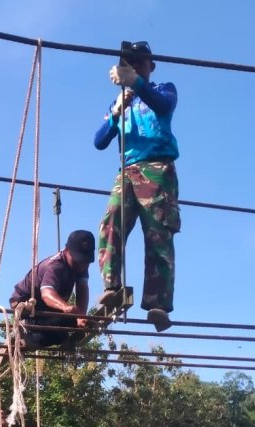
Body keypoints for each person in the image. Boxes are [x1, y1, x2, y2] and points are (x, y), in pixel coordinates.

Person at [94, 40, 181, 332]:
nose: (133, 67)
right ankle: (111, 285)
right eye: (129, 64)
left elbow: (164, 105)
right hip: (126, 170)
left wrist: (137, 83)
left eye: (139, 63)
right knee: (111, 221)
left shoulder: (162, 89)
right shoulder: (119, 102)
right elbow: (99, 141)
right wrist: (116, 112)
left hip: (157, 167)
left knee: (157, 233)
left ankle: (158, 304)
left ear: (150, 66)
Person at [9, 229, 94, 350]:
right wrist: (65, 307)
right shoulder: (56, 265)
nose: (82, 266)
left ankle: (37, 338)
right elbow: (47, 294)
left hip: (46, 307)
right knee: (61, 328)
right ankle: (25, 333)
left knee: (65, 330)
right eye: (78, 261)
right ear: (66, 251)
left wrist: (81, 317)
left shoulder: (82, 266)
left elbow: (82, 289)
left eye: (86, 262)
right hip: (26, 304)